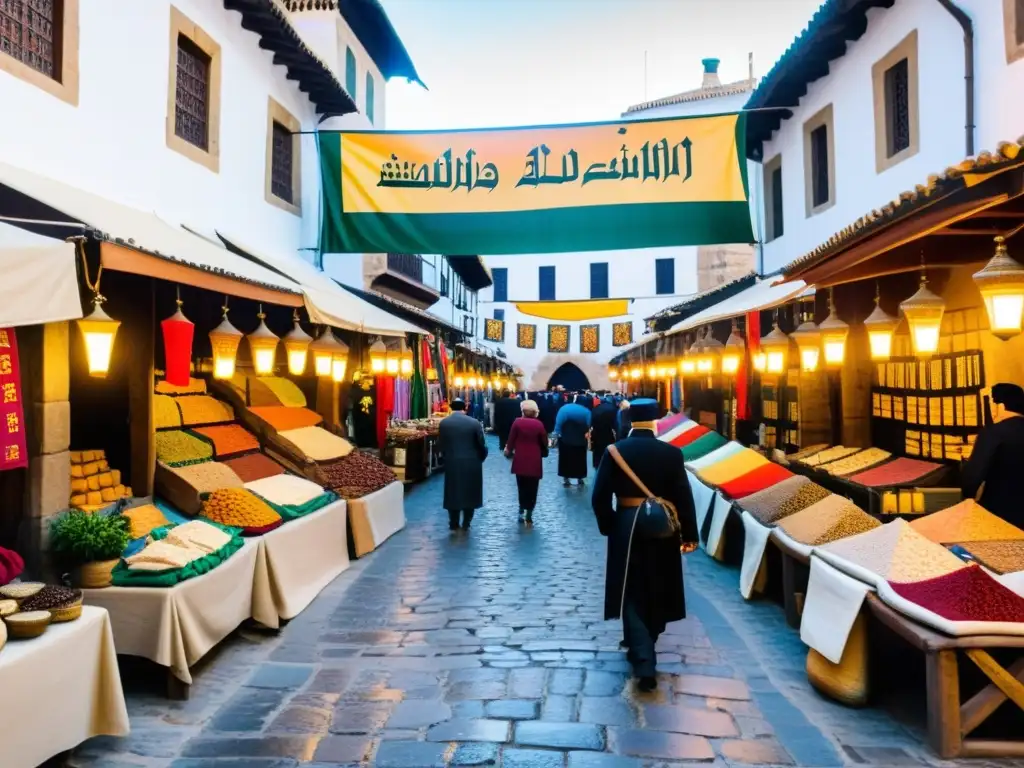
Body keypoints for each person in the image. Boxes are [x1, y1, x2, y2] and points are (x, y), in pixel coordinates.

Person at [591, 398, 698, 691]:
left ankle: (642, 656)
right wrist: (689, 534)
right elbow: (683, 496)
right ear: (655, 421)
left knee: (631, 587)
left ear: (628, 421)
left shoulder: (615, 451)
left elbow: (599, 496)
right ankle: (647, 642)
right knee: (658, 582)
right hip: (663, 527)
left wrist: (609, 525)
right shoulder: (671, 453)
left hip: (627, 524)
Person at [962, 382, 1024, 527]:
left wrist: (967, 495)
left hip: (1000, 511)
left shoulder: (993, 433)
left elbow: (972, 478)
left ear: (1000, 406)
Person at [438, 398, 488, 531]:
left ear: (451, 408)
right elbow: (481, 444)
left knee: (453, 492)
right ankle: (467, 522)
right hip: (472, 462)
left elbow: (441, 445)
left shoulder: (444, 423)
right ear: (464, 408)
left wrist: (445, 459)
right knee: (470, 492)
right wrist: (481, 458)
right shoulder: (474, 423)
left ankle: (453, 522)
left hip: (452, 462)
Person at [504, 399, 549, 524]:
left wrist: (507, 451)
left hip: (520, 459)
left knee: (521, 487)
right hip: (535, 460)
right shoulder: (539, 424)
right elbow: (545, 442)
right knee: (533, 487)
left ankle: (521, 510)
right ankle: (529, 513)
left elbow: (511, 440)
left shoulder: (517, 423)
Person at [555, 394, 591, 487]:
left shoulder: (564, 409)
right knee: (580, 459)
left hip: (566, 438)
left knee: (565, 459)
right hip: (580, 439)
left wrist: (557, 434)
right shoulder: (586, 411)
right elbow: (589, 425)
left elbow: (558, 423)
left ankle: (566, 478)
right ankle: (580, 477)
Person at [590, 395, 618, 469]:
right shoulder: (612, 408)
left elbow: (591, 422)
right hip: (608, 433)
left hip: (597, 433)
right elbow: (615, 424)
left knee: (597, 452)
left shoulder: (595, 409)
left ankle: (597, 466)